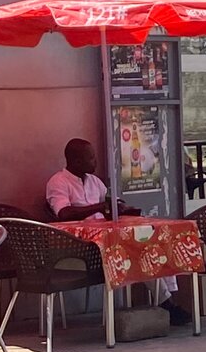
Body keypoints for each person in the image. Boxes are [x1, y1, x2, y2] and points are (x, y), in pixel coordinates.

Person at [46, 139, 191, 325]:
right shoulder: (58, 182)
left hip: (107, 241)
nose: (95, 161)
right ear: (75, 160)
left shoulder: (94, 181)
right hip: (80, 248)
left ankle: (165, 303)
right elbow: (63, 213)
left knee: (145, 249)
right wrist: (98, 207)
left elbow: (111, 201)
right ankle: (166, 304)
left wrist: (122, 208)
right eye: (90, 158)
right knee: (136, 252)